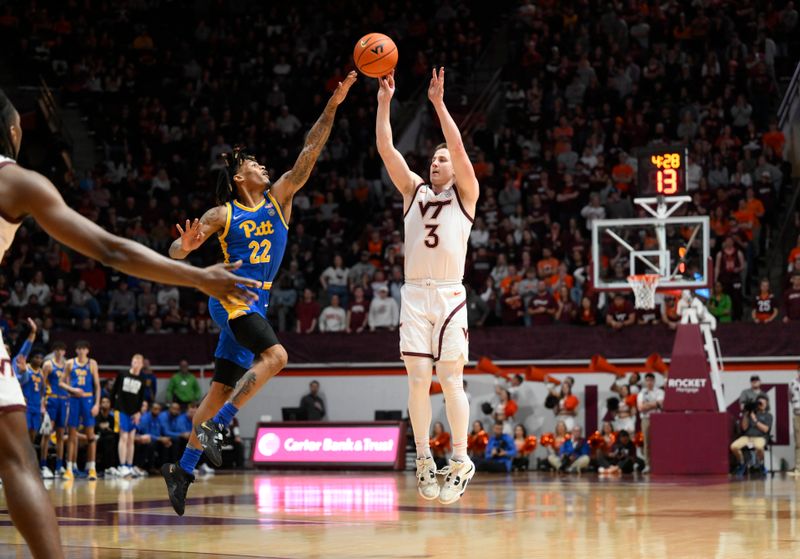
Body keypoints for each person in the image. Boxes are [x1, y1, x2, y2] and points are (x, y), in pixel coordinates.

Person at [0, 88, 255, 559]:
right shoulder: (15, 182)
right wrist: (200, 278)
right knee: (18, 462)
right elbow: (111, 250)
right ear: (13, 131)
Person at [163, 73, 357, 517]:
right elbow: (176, 248)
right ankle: (219, 428)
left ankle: (183, 469)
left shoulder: (280, 198)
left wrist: (334, 102)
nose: (264, 166)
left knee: (217, 392)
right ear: (237, 175)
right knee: (278, 358)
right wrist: (186, 247)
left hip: (258, 300)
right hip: (231, 297)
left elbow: (311, 149)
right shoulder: (221, 212)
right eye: (254, 163)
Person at [375, 68, 479, 504]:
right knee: (418, 379)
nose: (436, 162)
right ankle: (423, 458)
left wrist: (438, 104)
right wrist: (385, 101)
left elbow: (456, 145)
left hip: (450, 294)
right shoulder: (413, 191)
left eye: (442, 160)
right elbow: (386, 148)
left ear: (455, 169)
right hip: (415, 293)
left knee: (450, 379)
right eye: (432, 159)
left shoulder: (466, 194)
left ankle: (460, 458)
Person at [59, 340, 100, 481]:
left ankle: (92, 468)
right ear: (76, 350)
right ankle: (69, 468)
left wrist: (97, 404)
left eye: (84, 349)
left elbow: (97, 386)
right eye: (79, 349)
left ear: (87, 351)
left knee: (90, 436)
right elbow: (61, 382)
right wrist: (72, 389)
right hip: (74, 399)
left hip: (88, 400)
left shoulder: (92, 363)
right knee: (72, 435)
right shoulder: (70, 363)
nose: (82, 351)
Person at [111, 354, 146, 477]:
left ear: (142, 364)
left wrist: (138, 412)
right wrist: (113, 407)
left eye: (138, 361)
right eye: (134, 361)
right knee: (123, 438)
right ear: (131, 362)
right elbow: (114, 390)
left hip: (133, 412)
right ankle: (122, 466)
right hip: (121, 410)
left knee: (131, 439)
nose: (136, 363)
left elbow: (141, 398)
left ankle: (129, 465)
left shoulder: (142, 379)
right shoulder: (123, 374)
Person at [42, 340, 69, 477]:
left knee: (60, 435)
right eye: (57, 350)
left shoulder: (67, 366)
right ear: (54, 351)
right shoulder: (48, 364)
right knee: (47, 434)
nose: (59, 352)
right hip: (51, 400)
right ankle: (43, 465)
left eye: (62, 350)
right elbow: (42, 383)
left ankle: (59, 466)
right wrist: (43, 402)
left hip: (63, 401)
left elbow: (69, 384)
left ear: (64, 352)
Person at [730, 395, 772, 476]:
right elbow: (744, 428)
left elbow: (766, 429)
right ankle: (742, 464)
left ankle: (761, 464)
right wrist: (746, 414)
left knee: (759, 447)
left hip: (760, 437)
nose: (761, 405)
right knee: (734, 446)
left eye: (763, 403)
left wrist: (755, 420)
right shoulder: (750, 413)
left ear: (766, 404)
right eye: (759, 403)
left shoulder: (768, 415)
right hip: (747, 437)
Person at [636, 373, 664, 471]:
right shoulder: (641, 394)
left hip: (658, 418)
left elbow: (661, 404)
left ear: (654, 381)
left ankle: (660, 463)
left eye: (651, 380)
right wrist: (655, 404)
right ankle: (648, 465)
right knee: (647, 442)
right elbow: (640, 407)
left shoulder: (660, 392)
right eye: (647, 380)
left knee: (659, 442)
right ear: (645, 381)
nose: (649, 382)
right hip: (646, 419)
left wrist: (647, 405)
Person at [789, 365, 800, 476]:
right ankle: (798, 468)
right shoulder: (792, 383)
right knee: (798, 442)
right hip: (797, 414)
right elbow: (790, 398)